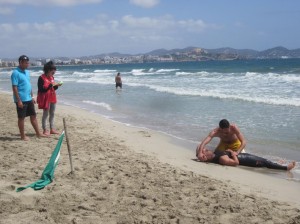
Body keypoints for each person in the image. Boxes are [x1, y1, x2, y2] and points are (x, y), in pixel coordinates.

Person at [11, 55, 46, 141]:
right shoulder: (15, 73)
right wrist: (19, 100)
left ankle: (38, 133)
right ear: (21, 62)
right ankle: (23, 136)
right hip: (21, 99)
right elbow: (14, 87)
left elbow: (28, 85)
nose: (28, 64)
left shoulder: (27, 72)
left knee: (33, 115)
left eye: (28, 62)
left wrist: (32, 96)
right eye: (26, 63)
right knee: (21, 118)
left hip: (28, 98)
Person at [198, 149, 296, 171]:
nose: (206, 150)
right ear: (207, 158)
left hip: (244, 156)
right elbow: (236, 163)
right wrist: (233, 153)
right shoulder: (221, 159)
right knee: (265, 163)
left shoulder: (215, 153)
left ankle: (278, 163)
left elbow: (199, 147)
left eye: (205, 150)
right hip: (246, 160)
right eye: (204, 152)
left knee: (264, 160)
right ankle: (286, 168)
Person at [37, 61, 62, 135]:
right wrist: (49, 86)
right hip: (45, 99)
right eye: (53, 70)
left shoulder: (52, 77)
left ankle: (52, 129)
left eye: (54, 70)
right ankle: (45, 129)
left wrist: (56, 86)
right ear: (48, 70)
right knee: (45, 114)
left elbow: (53, 88)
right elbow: (41, 89)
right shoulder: (41, 78)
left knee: (52, 114)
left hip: (53, 97)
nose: (54, 72)